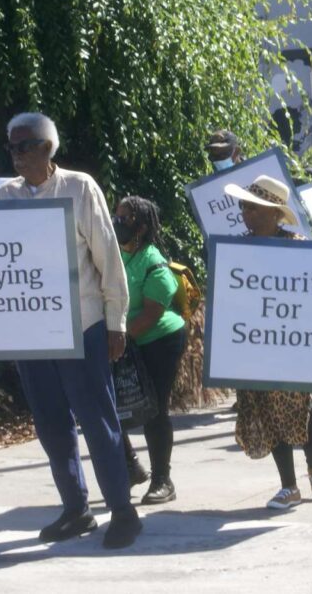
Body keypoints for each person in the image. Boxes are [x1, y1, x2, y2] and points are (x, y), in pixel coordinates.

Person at [0, 112, 141, 549]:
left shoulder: (80, 188)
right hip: (31, 333)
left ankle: (123, 511)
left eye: (23, 146)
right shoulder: (4, 197)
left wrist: (116, 322)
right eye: (11, 147)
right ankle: (76, 509)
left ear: (46, 148)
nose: (16, 156)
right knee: (51, 425)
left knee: (98, 421)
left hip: (83, 327)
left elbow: (108, 260)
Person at [223, 175, 312, 510]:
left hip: (295, 345)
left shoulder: (299, 246)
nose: (246, 214)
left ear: (273, 213)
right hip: (258, 347)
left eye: (253, 208)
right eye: (244, 207)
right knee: (268, 411)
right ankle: (289, 485)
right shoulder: (237, 250)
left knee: (306, 408)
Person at [114, 196, 187, 505]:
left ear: (142, 228)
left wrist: (118, 337)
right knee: (109, 410)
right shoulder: (115, 253)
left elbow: (152, 312)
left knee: (154, 411)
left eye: (125, 219)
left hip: (159, 341)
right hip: (122, 341)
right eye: (115, 217)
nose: (117, 224)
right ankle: (131, 467)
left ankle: (162, 480)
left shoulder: (152, 261)